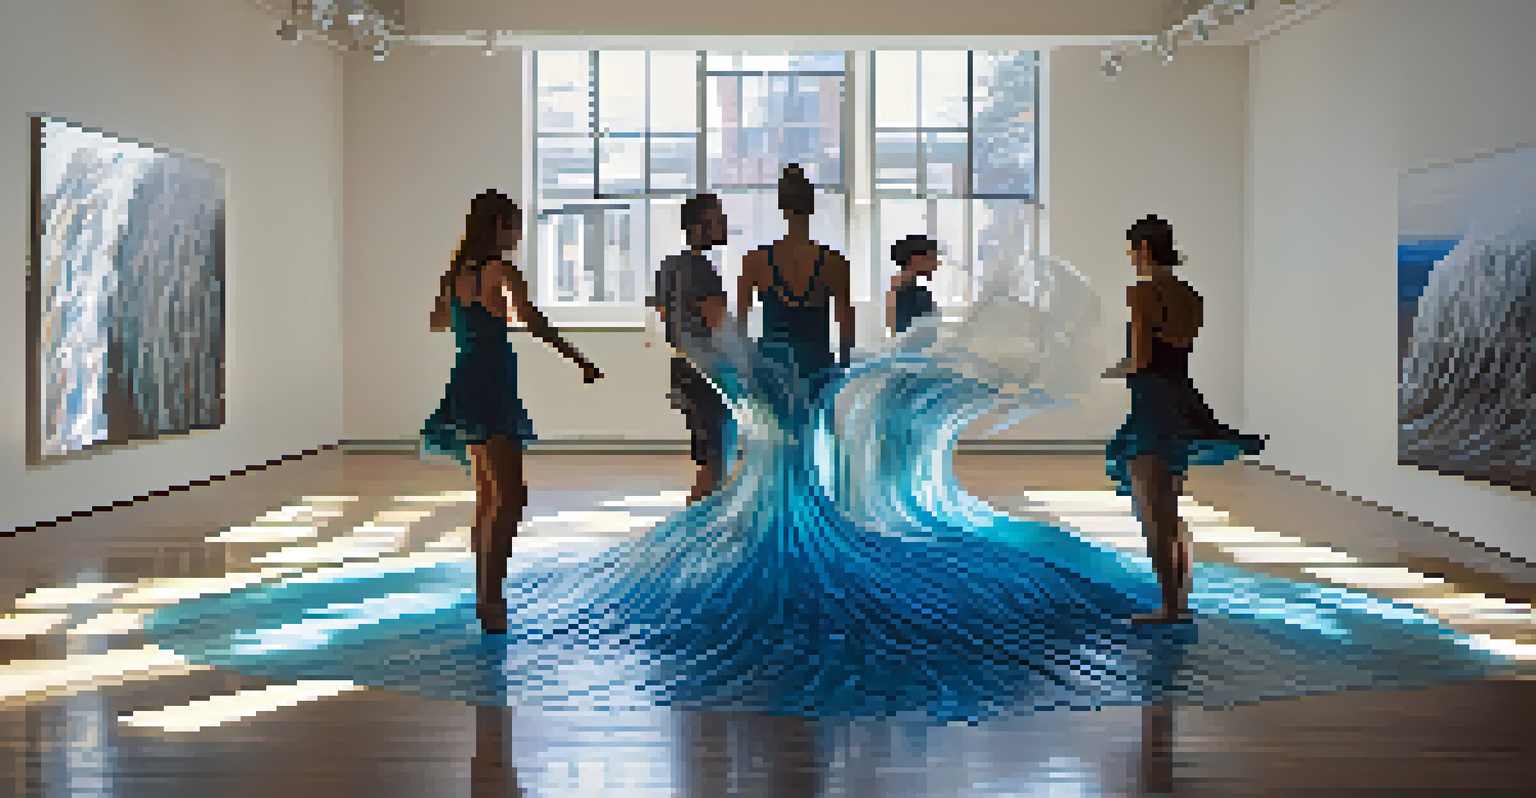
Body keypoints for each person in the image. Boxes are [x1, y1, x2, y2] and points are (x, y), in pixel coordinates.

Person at [422, 190, 603, 634]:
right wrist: (578, 357)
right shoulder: (499, 270)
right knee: (511, 496)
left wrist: (481, 315)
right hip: (491, 381)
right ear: (497, 226)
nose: (518, 235)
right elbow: (533, 319)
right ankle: (491, 598)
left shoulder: (455, 274)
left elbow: (438, 321)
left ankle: (486, 595)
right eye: (514, 226)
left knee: (488, 495)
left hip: (467, 376)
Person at [1103, 215, 1266, 624]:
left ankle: (1171, 608)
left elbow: (1142, 359)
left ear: (1143, 248)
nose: (1131, 258)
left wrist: (1110, 370)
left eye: (1131, 249)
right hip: (1183, 399)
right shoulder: (1190, 295)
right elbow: (1175, 349)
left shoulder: (1142, 292)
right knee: (1169, 508)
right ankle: (1178, 601)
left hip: (1153, 406)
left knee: (1153, 513)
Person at [737, 164, 854, 399]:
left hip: (771, 368)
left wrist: (746, 368)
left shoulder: (755, 260)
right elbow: (845, 325)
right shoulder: (834, 262)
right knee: (813, 434)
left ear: (781, 207)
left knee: (773, 435)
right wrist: (843, 369)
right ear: (811, 206)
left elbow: (740, 324)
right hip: (817, 367)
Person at [650, 193, 732, 504]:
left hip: (682, 368)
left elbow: (662, 312)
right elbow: (718, 326)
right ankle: (697, 535)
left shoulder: (669, 266)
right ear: (698, 227)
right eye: (717, 219)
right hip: (705, 373)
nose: (724, 224)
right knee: (715, 464)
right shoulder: (701, 270)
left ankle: (701, 532)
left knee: (708, 461)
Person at [887, 234, 940, 335]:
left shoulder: (921, 292)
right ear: (917, 259)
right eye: (931, 258)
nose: (935, 264)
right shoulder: (897, 292)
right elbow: (896, 334)